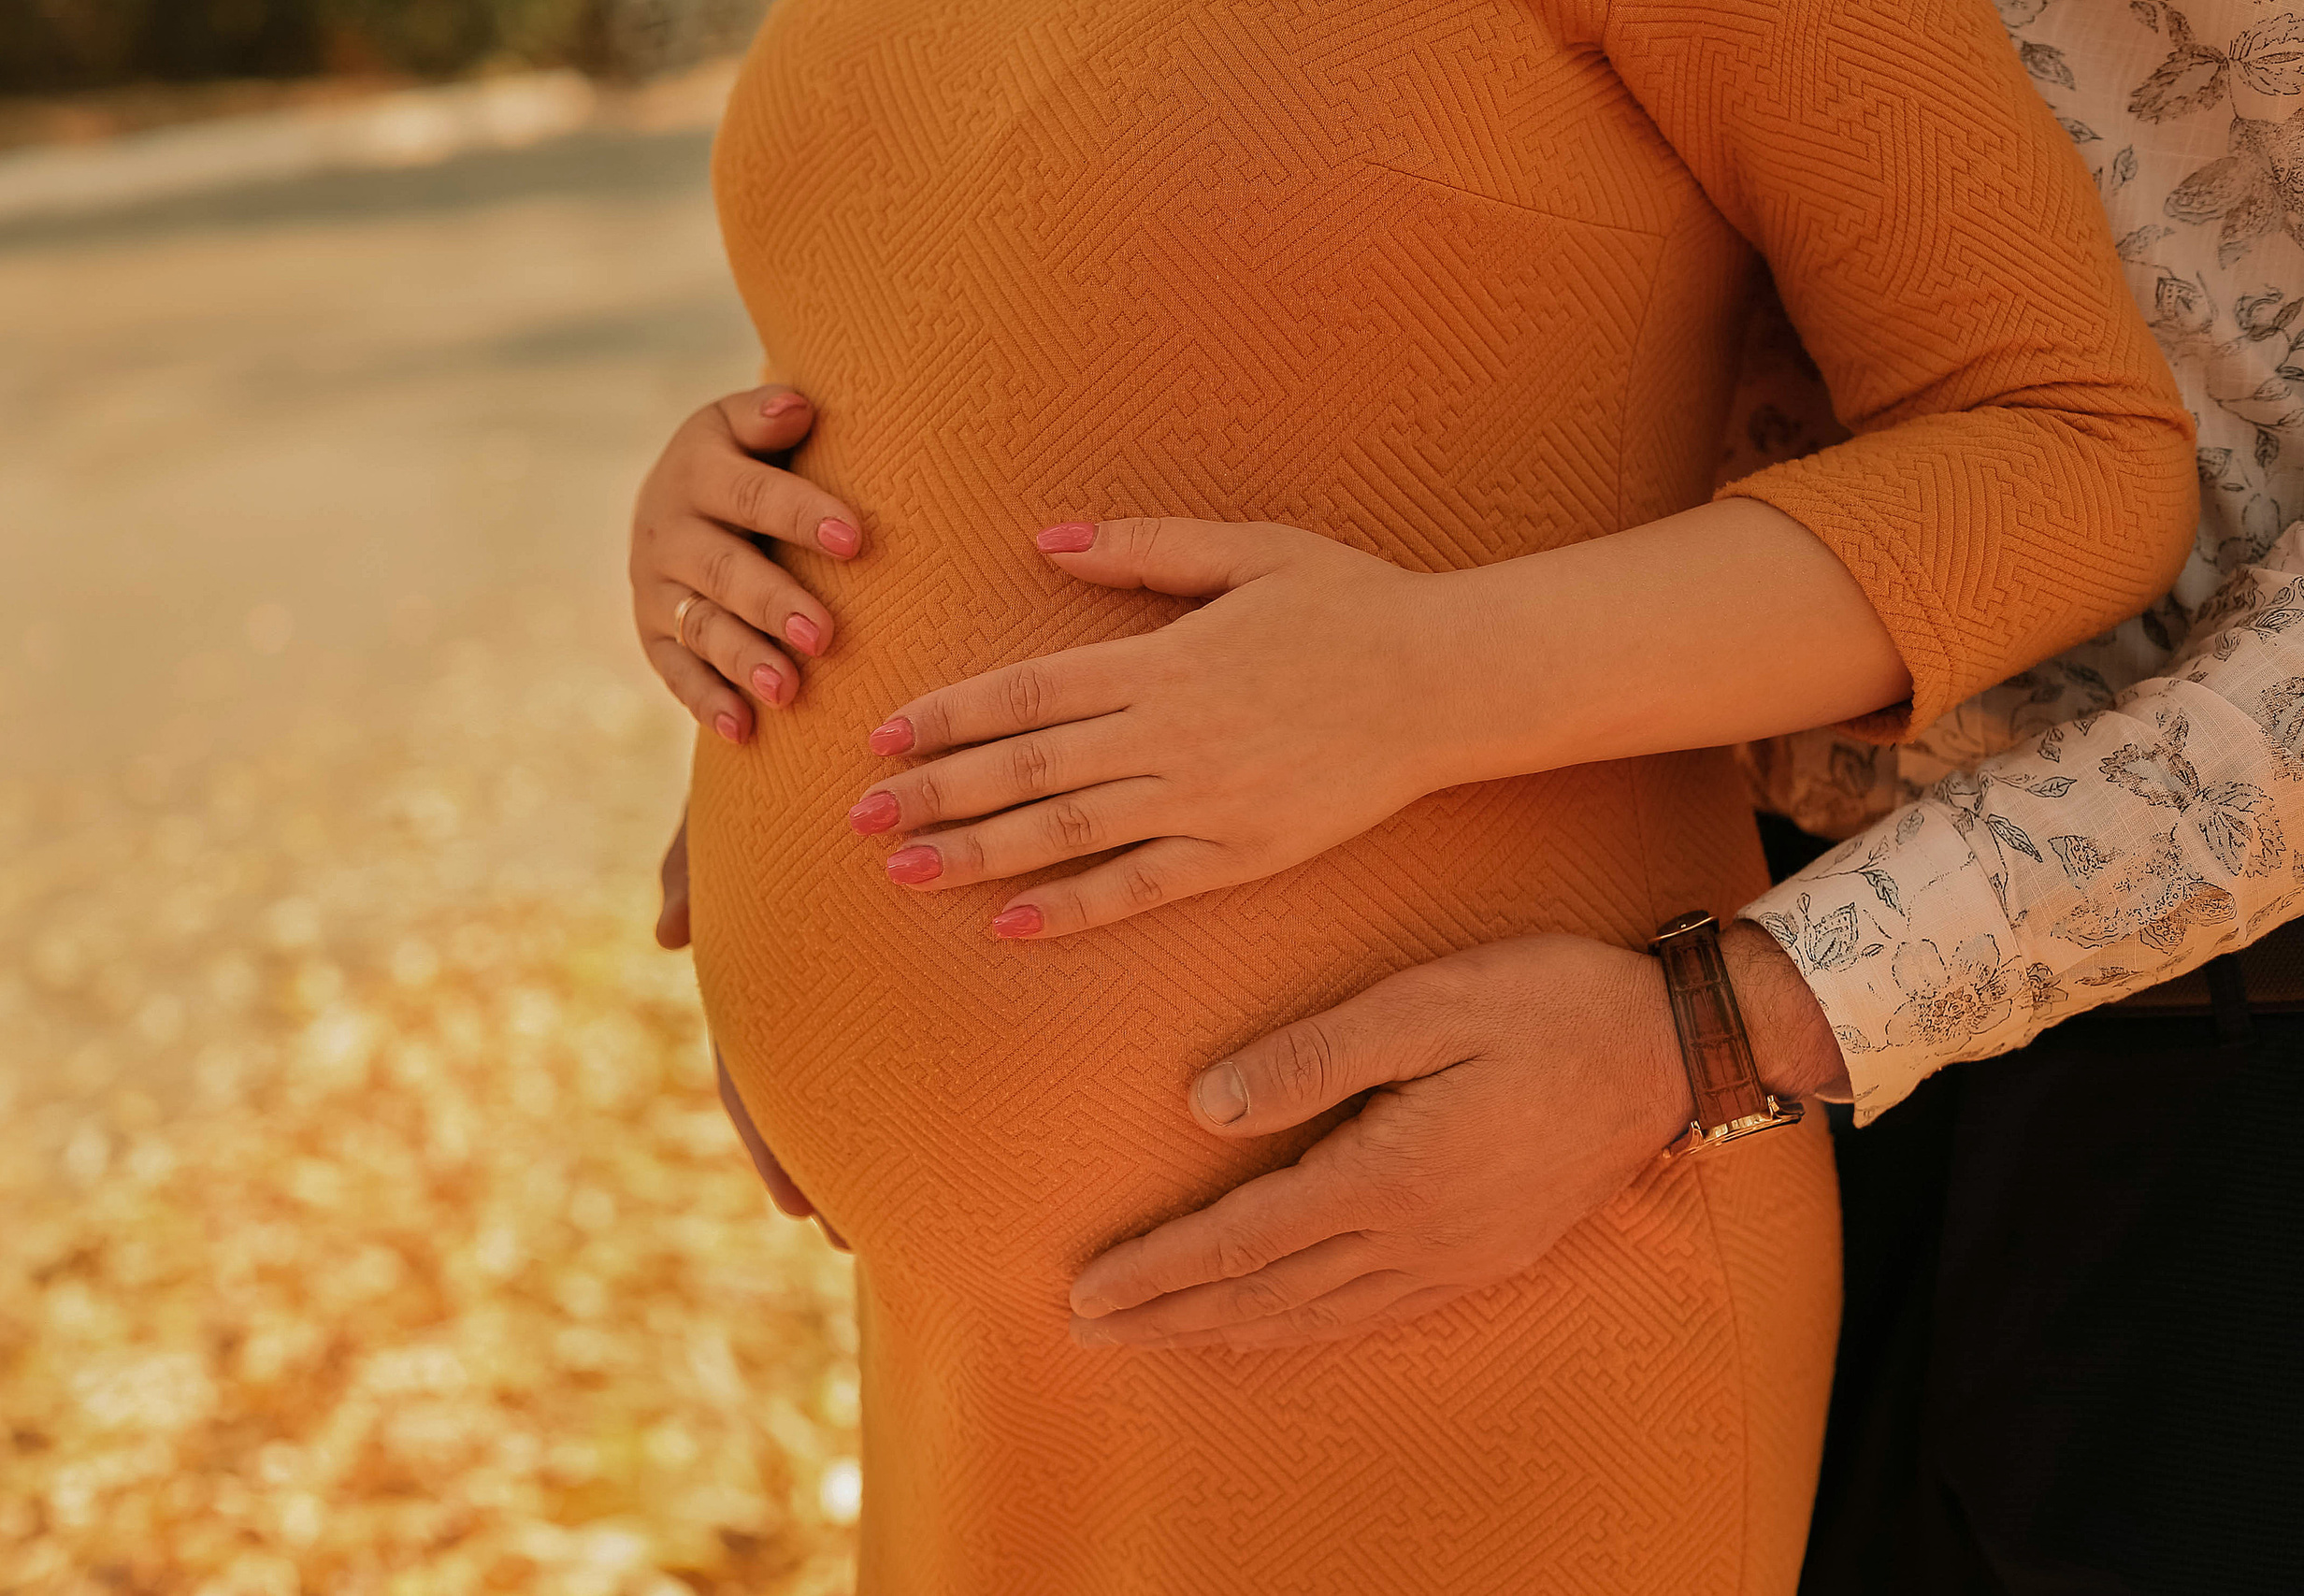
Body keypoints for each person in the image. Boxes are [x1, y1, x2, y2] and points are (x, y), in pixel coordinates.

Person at [636, 1, 2196, 1589]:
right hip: (963, 1336)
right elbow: (985, 317)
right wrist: (728, 551)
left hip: (1463, 1251)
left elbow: (2070, 458)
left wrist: (1432, 675)